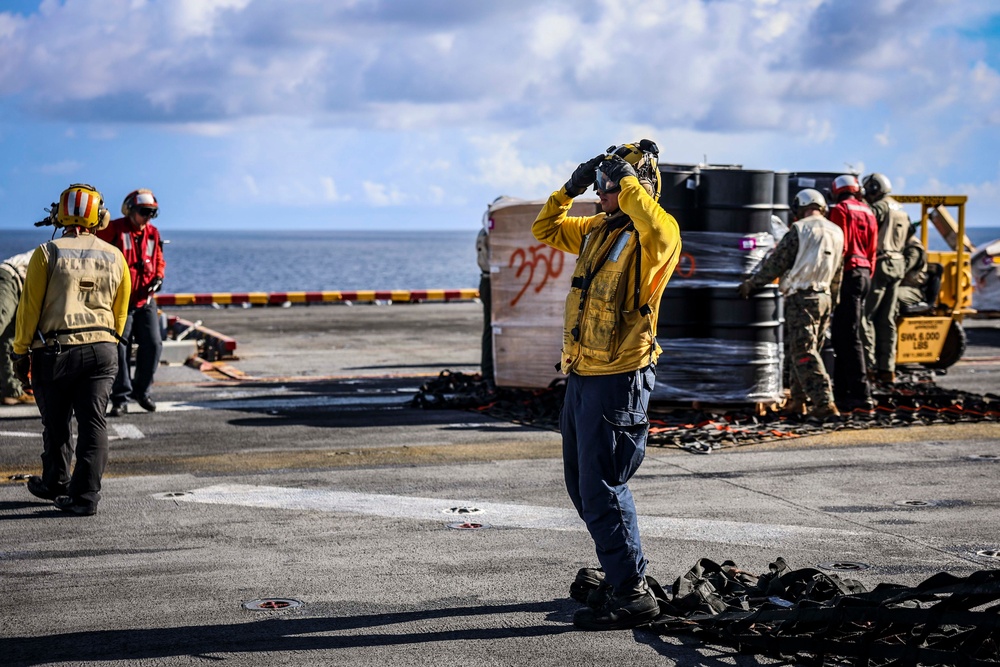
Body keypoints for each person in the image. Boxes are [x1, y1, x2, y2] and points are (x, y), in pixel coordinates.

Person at [532, 140, 681, 631]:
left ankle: (631, 592)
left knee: (602, 488)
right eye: (598, 187)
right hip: (582, 374)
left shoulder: (657, 237)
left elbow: (654, 220)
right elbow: (545, 228)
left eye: (608, 187)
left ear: (637, 187)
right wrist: (568, 190)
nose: (601, 195)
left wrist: (628, 180)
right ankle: (622, 572)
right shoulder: (599, 228)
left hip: (619, 377)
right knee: (582, 486)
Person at [12, 184, 130, 516]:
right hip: (103, 350)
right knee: (94, 422)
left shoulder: (47, 253)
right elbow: (121, 312)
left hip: (55, 351)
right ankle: (85, 497)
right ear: (99, 217)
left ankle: (55, 482)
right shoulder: (116, 256)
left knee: (57, 423)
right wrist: (107, 343)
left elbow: (29, 309)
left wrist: (20, 353)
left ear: (61, 214)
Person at [739, 189, 844, 419]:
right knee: (803, 349)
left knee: (803, 351)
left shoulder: (800, 229)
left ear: (799, 208)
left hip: (802, 297)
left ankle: (825, 402)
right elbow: (838, 272)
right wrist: (832, 302)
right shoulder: (837, 231)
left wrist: (752, 284)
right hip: (825, 297)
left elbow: (778, 263)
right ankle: (798, 400)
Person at [97, 189, 165, 416]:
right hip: (120, 302)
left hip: (145, 300)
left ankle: (142, 391)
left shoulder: (153, 234)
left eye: (152, 213)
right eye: (145, 212)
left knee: (154, 345)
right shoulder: (114, 229)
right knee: (119, 349)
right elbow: (96, 250)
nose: (148, 217)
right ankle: (120, 398)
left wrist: (159, 277)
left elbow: (158, 260)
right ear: (131, 210)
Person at [827, 174, 877, 411]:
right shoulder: (868, 211)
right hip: (865, 274)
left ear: (836, 191)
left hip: (849, 273)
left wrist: (832, 279)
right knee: (841, 334)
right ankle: (843, 391)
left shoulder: (840, 210)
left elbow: (841, 246)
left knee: (848, 335)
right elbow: (873, 250)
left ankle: (860, 394)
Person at [861, 173, 912, 384]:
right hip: (898, 264)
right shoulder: (901, 209)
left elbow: (865, 225)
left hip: (881, 263)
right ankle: (887, 368)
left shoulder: (879, 207)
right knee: (887, 319)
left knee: (866, 317)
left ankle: (869, 366)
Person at [0, 250, 36, 405]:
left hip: (19, 289)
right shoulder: (53, 252)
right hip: (10, 278)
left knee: (8, 340)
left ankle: (12, 391)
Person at [475, 224, 494, 386]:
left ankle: (489, 369)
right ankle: (489, 370)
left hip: (488, 281)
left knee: (491, 327)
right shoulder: (490, 232)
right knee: (492, 327)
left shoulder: (485, 231)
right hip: (492, 282)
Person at [898, 223, 932, 313]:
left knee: (892, 296)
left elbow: (901, 271)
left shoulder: (913, 250)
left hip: (913, 289)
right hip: (904, 285)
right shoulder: (903, 245)